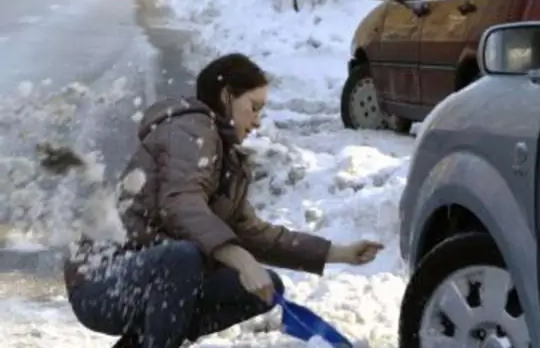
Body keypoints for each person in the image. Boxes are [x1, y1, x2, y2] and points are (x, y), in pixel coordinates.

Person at [62, 53, 384, 348]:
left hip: (148, 280)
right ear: (227, 96)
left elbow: (255, 233)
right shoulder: (191, 132)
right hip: (102, 281)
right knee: (184, 258)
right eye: (254, 107)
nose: (257, 121)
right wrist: (241, 260)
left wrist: (339, 253)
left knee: (264, 288)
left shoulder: (226, 159)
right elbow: (181, 204)